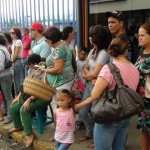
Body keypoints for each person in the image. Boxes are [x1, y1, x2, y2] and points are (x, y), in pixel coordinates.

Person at [75, 36, 140, 150]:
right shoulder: (135, 68)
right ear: (126, 51)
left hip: (110, 115)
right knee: (119, 147)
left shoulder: (109, 68)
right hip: (126, 114)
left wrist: (81, 104)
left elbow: (95, 94)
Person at [78, 25, 110, 148]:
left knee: (97, 114)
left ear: (98, 38)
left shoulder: (103, 53)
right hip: (89, 85)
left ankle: (97, 140)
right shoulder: (92, 51)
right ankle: (90, 133)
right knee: (83, 111)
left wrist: (87, 75)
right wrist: (89, 76)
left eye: (92, 36)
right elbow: (84, 68)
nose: (90, 38)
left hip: (98, 88)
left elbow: (95, 73)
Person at [9, 53, 47, 148]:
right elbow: (27, 86)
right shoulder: (31, 71)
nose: (28, 66)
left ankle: (30, 134)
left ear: (35, 63)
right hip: (30, 96)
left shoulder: (44, 72)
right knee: (13, 107)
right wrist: (18, 96)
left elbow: (42, 90)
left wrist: (29, 100)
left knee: (24, 110)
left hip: (42, 97)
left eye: (29, 64)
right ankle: (18, 125)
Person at [135, 23, 150, 150]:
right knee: (143, 129)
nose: (139, 38)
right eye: (138, 35)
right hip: (142, 99)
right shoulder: (141, 52)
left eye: (143, 35)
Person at [0, 35, 13, 124]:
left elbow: (0, 67)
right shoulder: (2, 48)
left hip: (5, 75)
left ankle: (10, 115)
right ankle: (5, 111)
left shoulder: (0, 50)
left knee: (7, 96)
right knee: (5, 95)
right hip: (4, 75)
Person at [11, 27, 23, 96]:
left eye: (13, 33)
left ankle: (19, 96)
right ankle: (17, 95)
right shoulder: (14, 41)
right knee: (15, 81)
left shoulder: (18, 41)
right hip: (15, 61)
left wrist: (11, 62)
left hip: (17, 61)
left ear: (17, 33)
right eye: (11, 33)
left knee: (18, 80)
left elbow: (16, 54)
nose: (11, 34)